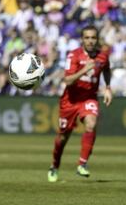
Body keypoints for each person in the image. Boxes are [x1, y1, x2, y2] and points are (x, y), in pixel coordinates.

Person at [47, 25, 112, 183]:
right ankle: (54, 166)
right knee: (63, 138)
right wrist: (85, 69)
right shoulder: (73, 55)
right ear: (82, 39)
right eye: (87, 38)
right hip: (70, 101)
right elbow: (67, 80)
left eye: (93, 38)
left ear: (97, 39)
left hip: (88, 98)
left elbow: (107, 70)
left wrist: (108, 87)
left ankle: (82, 164)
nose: (90, 41)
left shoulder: (102, 57)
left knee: (91, 123)